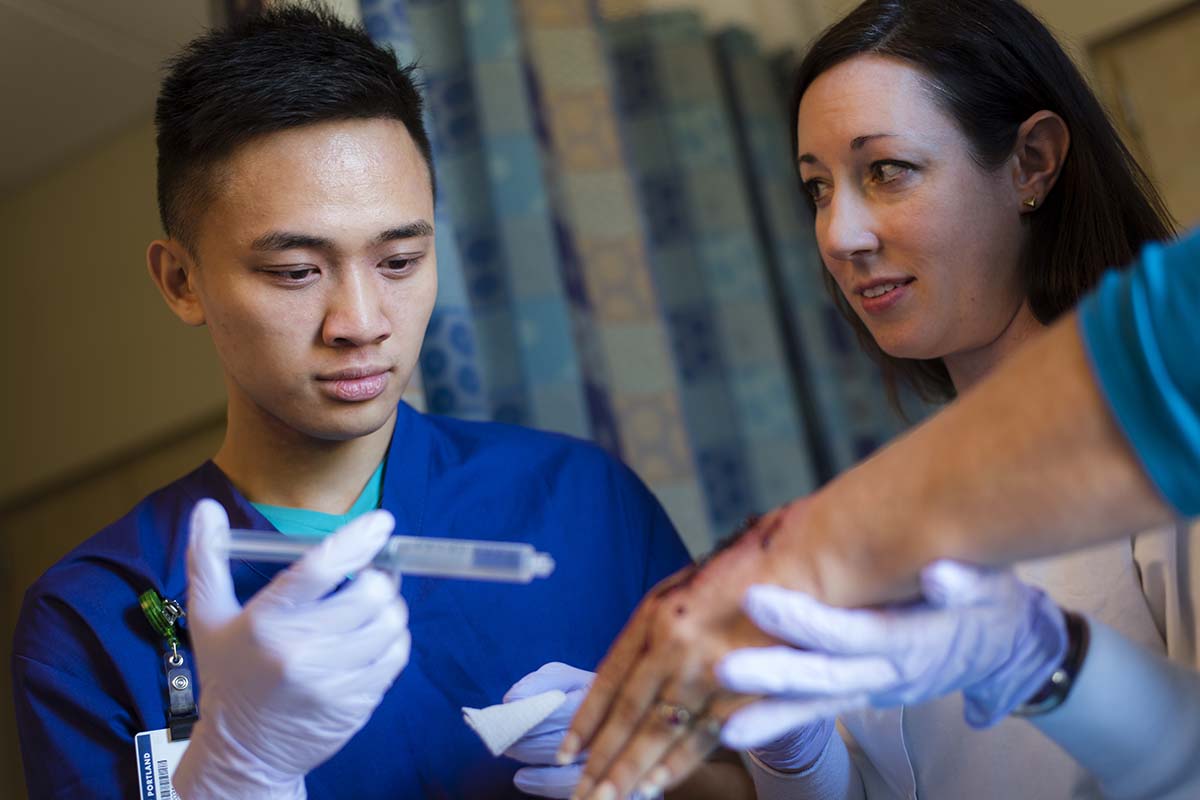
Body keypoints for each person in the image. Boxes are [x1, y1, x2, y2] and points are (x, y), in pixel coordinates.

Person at [10, 8, 756, 798]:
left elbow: (744, 774)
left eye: (400, 259)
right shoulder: (99, 613)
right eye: (297, 272)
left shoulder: (578, 503)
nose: (361, 323)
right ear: (181, 281)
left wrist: (662, 777)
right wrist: (237, 772)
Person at [560, 1, 1197, 797]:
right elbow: (883, 782)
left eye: (886, 171)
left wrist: (1043, 660)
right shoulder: (901, 494)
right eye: (818, 189)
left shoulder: (1169, 463)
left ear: (1032, 161)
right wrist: (791, 741)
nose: (839, 235)